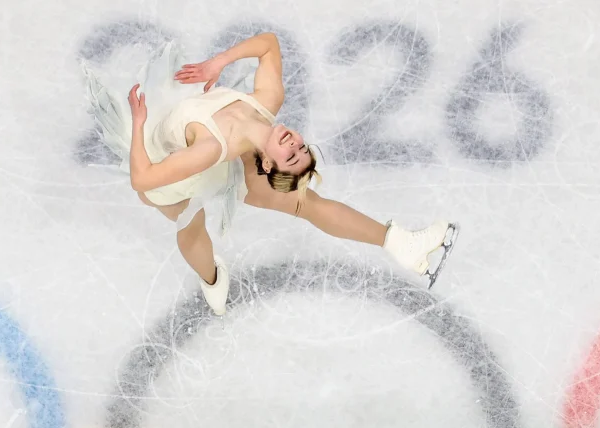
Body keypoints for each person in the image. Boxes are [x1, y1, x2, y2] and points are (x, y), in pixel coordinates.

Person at [82, 32, 458, 315]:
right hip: (194, 149)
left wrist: (138, 121)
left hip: (166, 167)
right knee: (211, 222)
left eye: (290, 155)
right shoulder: (266, 102)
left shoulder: (211, 148)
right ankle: (213, 275)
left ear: (265, 163)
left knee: (191, 219)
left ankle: (399, 243)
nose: (294, 143)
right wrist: (220, 62)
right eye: (300, 147)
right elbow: (268, 44)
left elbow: (143, 180)